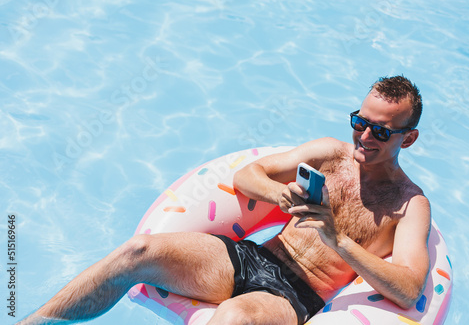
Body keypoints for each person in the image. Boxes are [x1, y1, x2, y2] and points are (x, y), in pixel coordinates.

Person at [18, 75, 430, 325]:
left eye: (380, 131)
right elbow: (248, 175)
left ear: (407, 138)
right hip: (250, 258)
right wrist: (279, 195)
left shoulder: (409, 204)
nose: (363, 137)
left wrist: (336, 240)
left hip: (295, 295)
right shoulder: (329, 153)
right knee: (136, 251)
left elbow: (409, 289)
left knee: (234, 318)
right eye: (360, 122)